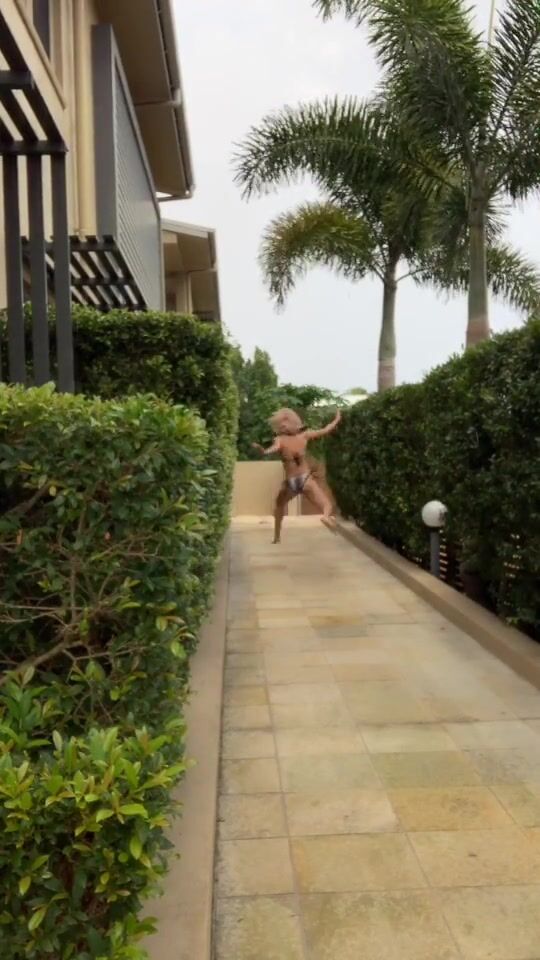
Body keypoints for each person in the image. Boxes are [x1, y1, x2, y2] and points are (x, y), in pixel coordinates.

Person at [252, 407, 342, 543]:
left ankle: (277, 537)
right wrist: (337, 419)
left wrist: (262, 449)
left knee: (279, 506)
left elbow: (269, 451)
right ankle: (325, 516)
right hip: (305, 479)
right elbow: (325, 430)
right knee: (327, 505)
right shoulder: (304, 436)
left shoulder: (280, 440)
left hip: (291, 482)